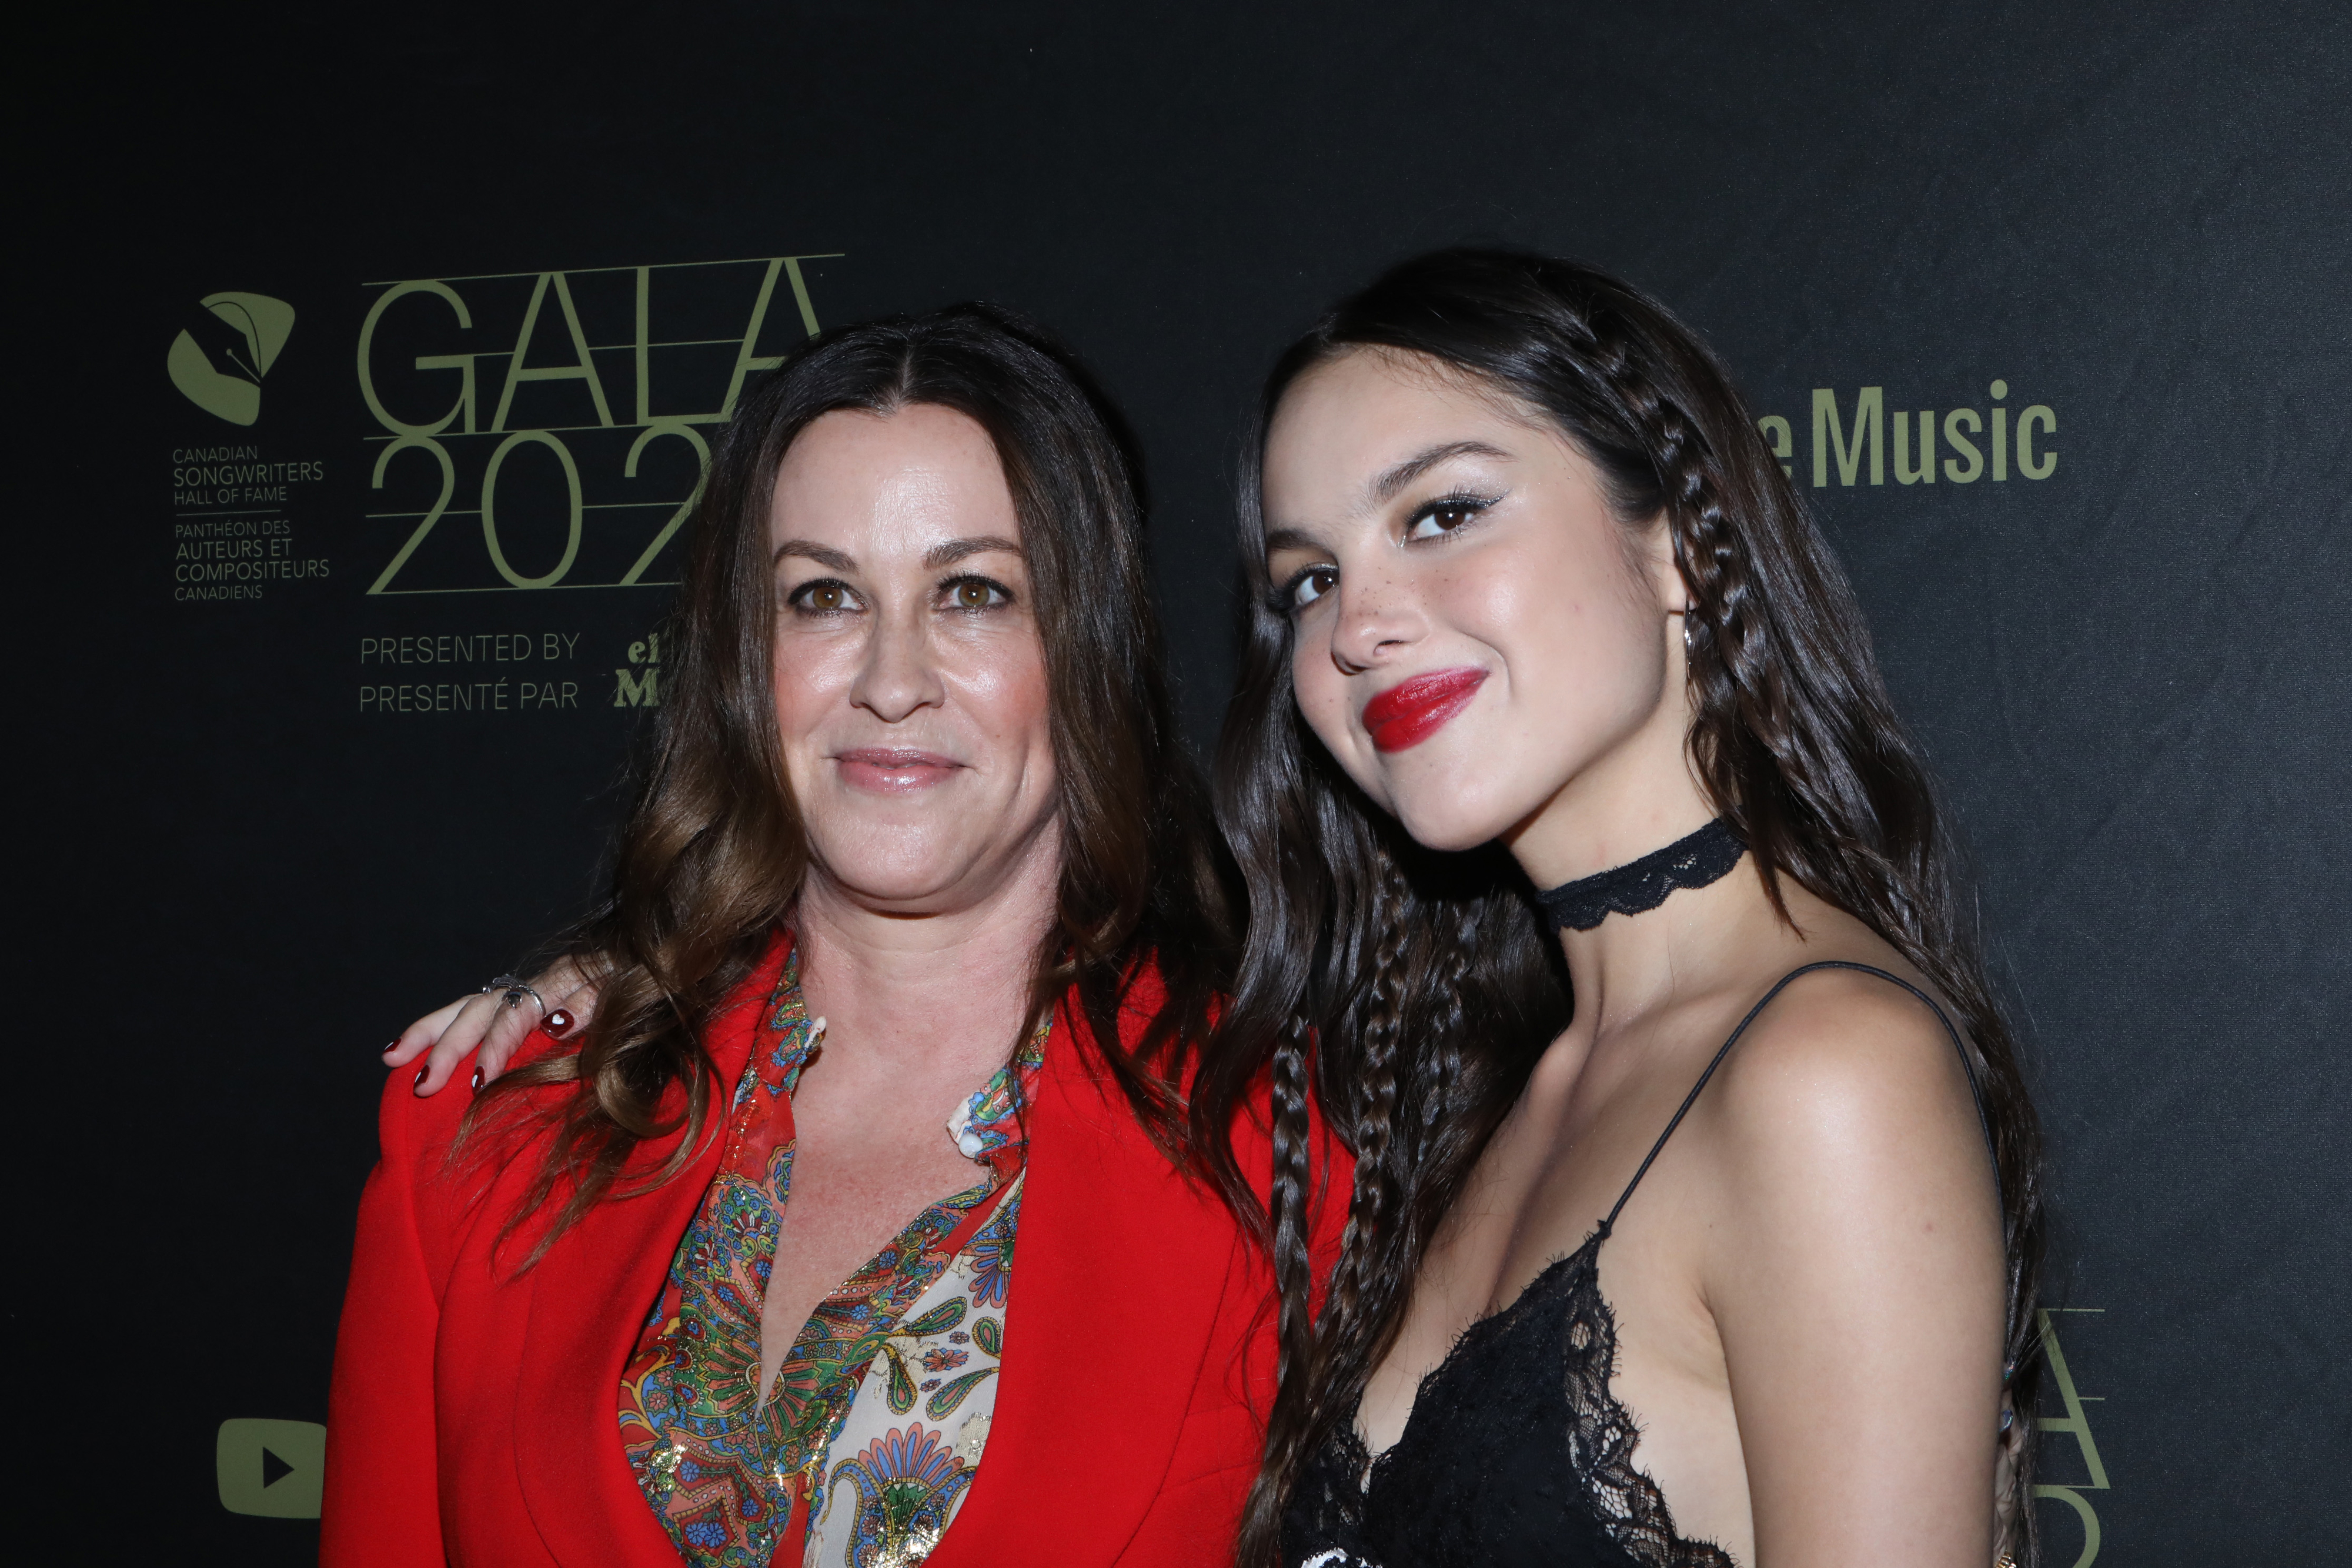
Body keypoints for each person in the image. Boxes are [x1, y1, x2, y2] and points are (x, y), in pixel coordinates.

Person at [327, 304, 1345, 1568]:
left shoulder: (1296, 1161)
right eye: (821, 595)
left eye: (972, 592)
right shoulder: (488, 1131)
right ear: (747, 660)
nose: (889, 674)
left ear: (1083, 646)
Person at [1187, 250, 2047, 1568]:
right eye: (1307, 579)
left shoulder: (1824, 1076)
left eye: (1438, 514)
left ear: (1679, 546)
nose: (1356, 623)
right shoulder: (1491, 1093)